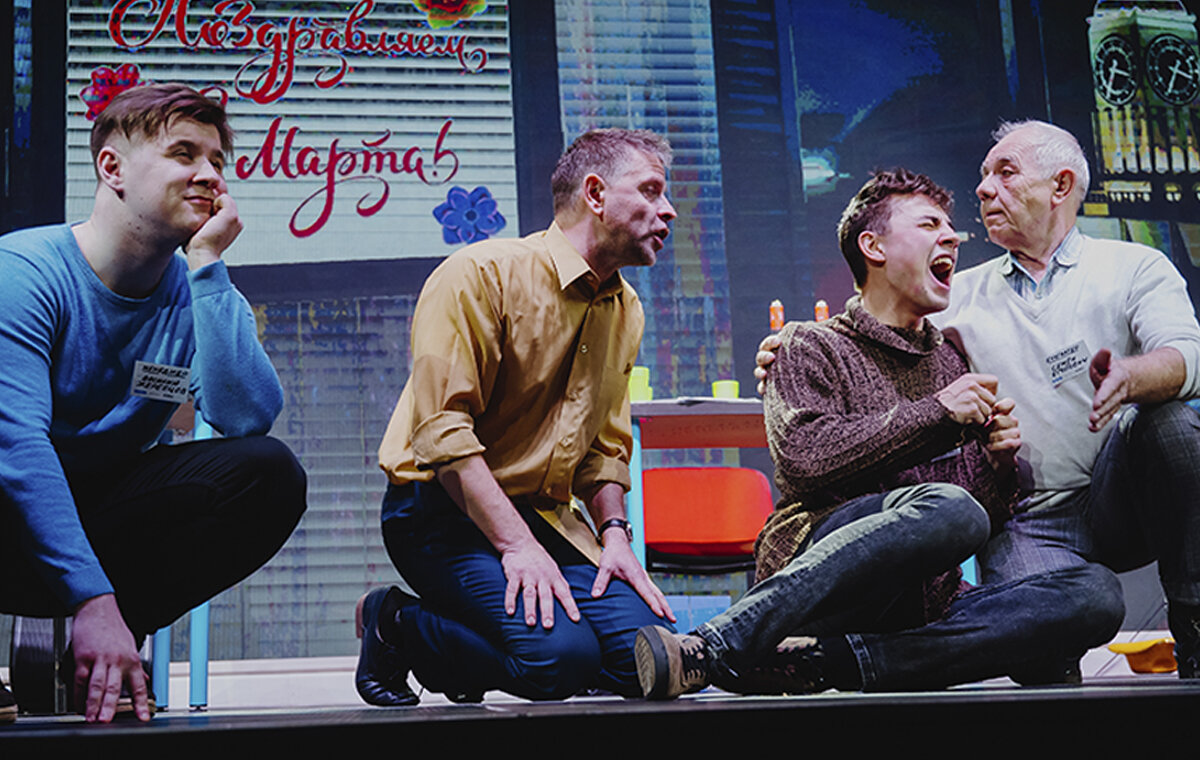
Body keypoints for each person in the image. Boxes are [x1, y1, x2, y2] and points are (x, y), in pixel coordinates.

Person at [637, 168, 1122, 700]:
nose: (951, 238)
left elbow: (971, 514)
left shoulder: (950, 362)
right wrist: (937, 414)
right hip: (821, 582)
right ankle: (716, 645)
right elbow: (804, 457)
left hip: (923, 606)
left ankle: (828, 663)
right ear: (873, 247)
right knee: (950, 510)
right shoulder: (808, 344)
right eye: (929, 225)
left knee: (1095, 594)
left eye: (950, 228)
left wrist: (996, 465)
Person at [756, 120, 1200, 681]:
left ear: (1060, 186)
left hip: (1121, 492)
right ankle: (845, 658)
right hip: (1030, 518)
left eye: (1005, 173)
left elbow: (1189, 355)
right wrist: (792, 347)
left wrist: (1129, 378)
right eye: (983, 177)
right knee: (1045, 652)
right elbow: (877, 314)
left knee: (1170, 425)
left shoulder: (1132, 266)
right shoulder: (952, 299)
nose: (984, 189)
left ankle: (1195, 623)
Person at [0, 83, 307, 723]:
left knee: (269, 474)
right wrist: (91, 598)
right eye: (183, 153)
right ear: (112, 168)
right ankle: (98, 619)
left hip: (96, 514)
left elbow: (247, 418)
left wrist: (206, 265)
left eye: (217, 160)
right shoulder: (23, 273)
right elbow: (18, 447)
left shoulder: (194, 288)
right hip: (12, 522)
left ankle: (103, 654)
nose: (210, 175)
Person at [357, 128, 678, 705]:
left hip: (545, 517)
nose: (668, 209)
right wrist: (515, 546)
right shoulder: (479, 273)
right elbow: (441, 433)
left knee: (650, 659)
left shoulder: (626, 308)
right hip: (439, 510)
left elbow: (605, 448)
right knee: (557, 662)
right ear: (596, 194)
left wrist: (614, 536)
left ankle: (489, 648)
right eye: (651, 190)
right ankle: (396, 623)